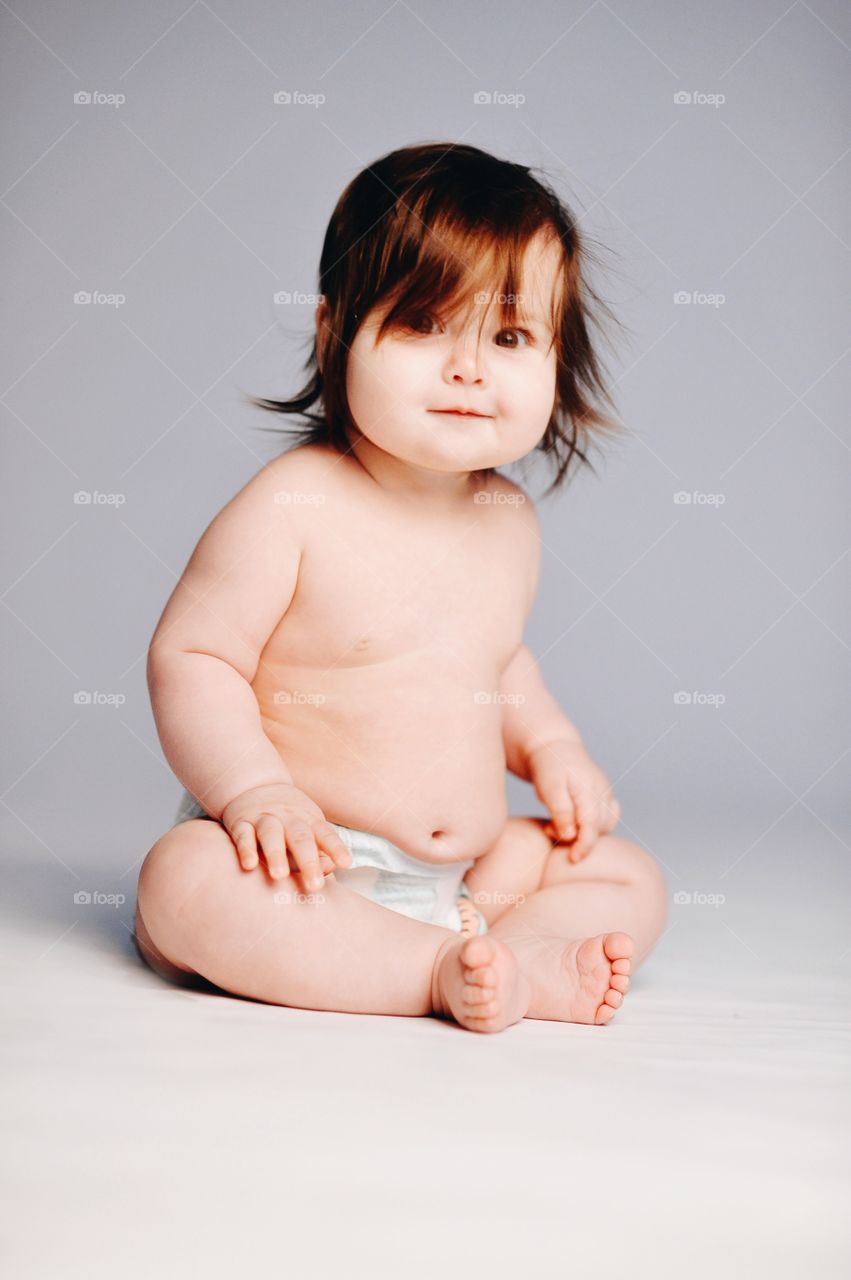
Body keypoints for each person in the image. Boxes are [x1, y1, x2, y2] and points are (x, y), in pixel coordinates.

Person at [134, 141, 668, 1033]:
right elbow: (192, 657)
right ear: (333, 330)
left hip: (459, 886)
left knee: (623, 874)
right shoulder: (293, 505)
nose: (468, 368)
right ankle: (429, 971)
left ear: (556, 357)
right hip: (299, 865)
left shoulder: (506, 520)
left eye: (508, 337)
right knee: (184, 880)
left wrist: (552, 748)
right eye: (423, 324)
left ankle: (511, 953)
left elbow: (495, 662)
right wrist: (254, 792)